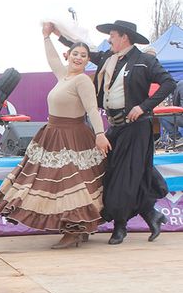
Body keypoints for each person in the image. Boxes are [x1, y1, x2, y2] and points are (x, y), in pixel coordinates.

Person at [0, 23, 110, 249]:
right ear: (69, 55)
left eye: (83, 55)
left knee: (71, 183)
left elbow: (92, 109)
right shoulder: (64, 76)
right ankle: (77, 228)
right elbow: (52, 59)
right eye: (75, 53)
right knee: (54, 183)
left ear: (87, 60)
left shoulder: (82, 80)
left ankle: (74, 231)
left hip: (73, 136)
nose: (78, 58)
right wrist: (46, 37)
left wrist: (100, 134)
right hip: (53, 134)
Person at [57, 20, 176, 244]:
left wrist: (143, 106)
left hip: (136, 127)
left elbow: (168, 83)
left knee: (122, 178)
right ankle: (152, 215)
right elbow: (84, 51)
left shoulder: (144, 61)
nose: (109, 39)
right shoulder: (107, 59)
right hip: (115, 126)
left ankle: (120, 226)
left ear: (124, 37)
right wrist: (58, 35)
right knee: (116, 172)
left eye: (112, 35)